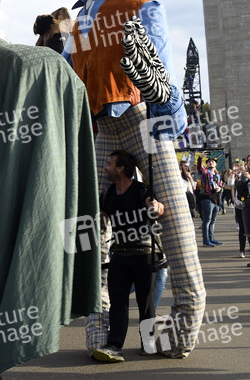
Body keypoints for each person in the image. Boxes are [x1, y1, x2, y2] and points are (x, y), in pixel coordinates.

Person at [92, 150, 165, 363]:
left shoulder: (141, 190)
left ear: (121, 168)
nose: (105, 167)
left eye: (109, 163)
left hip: (145, 255)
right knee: (118, 302)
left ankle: (148, 344)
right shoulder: (107, 194)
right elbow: (101, 217)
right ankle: (114, 345)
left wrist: (156, 207)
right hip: (119, 256)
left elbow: (159, 209)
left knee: (146, 304)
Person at [198, 157, 223, 247]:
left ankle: (211, 238)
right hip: (207, 198)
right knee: (207, 219)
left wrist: (220, 189)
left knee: (213, 220)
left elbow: (221, 186)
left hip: (216, 199)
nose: (210, 163)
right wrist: (200, 158)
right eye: (208, 162)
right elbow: (200, 168)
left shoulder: (218, 175)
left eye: (212, 161)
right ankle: (206, 240)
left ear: (216, 164)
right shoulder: (206, 172)